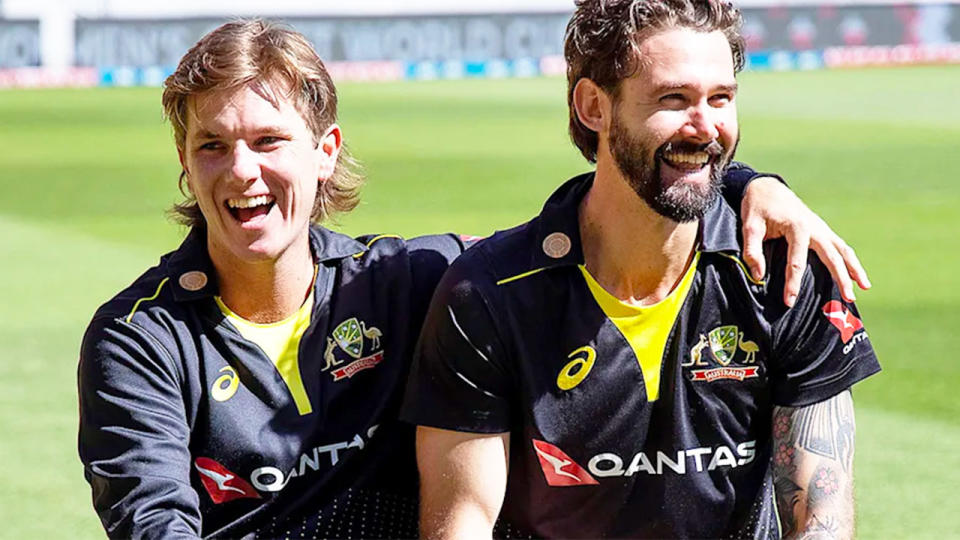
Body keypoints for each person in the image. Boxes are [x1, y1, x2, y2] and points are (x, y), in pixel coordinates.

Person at [78, 18, 869, 540]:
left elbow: (616, 218)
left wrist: (746, 184)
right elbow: (153, 523)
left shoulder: (412, 279)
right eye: (212, 145)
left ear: (324, 153)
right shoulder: (140, 340)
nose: (241, 171)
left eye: (268, 140)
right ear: (185, 161)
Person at [404, 1, 880, 538]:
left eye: (721, 98)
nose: (705, 129)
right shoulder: (489, 294)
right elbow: (462, 519)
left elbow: (819, 516)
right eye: (673, 99)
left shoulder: (789, 272)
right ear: (593, 107)